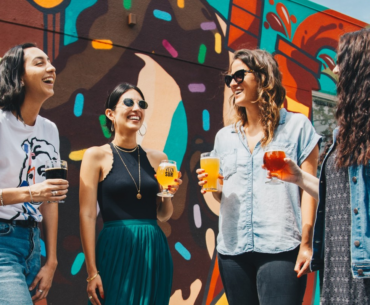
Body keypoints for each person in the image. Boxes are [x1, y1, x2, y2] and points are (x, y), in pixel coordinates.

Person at [196, 49, 321, 305]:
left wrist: (307, 244)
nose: (233, 82)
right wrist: (215, 187)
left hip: (282, 248)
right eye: (229, 78)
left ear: (264, 77)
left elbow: (310, 192)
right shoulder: (224, 137)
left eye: (240, 74)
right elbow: (224, 196)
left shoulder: (298, 127)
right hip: (233, 250)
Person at [264, 28, 370, 304]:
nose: (334, 69)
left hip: (362, 270)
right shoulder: (342, 134)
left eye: (342, 61)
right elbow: (339, 199)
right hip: (338, 267)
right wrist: (299, 177)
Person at [79, 83, 182, 305]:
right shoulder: (95, 156)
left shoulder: (159, 158)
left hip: (153, 248)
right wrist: (92, 272)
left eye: (141, 104)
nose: (136, 108)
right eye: (128, 102)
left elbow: (164, 215)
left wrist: (167, 194)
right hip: (116, 247)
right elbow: (87, 215)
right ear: (110, 114)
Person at [0, 43, 69, 304]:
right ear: (18, 76)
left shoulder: (49, 130)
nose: (51, 67)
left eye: (50, 62)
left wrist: (51, 261)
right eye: (39, 63)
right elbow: (41, 192)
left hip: (33, 243)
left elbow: (50, 199)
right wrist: (32, 192)